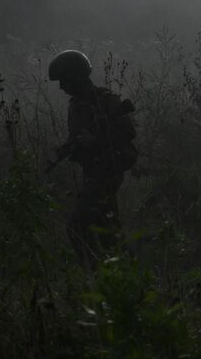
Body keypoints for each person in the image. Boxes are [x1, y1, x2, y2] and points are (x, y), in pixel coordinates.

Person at [48, 49, 138, 264]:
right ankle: (124, 273)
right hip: (92, 172)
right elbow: (77, 137)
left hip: (107, 172)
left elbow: (128, 132)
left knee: (77, 227)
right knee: (108, 231)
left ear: (76, 78)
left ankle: (94, 274)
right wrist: (71, 148)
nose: (61, 87)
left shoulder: (106, 101)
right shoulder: (76, 105)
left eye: (64, 81)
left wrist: (95, 140)